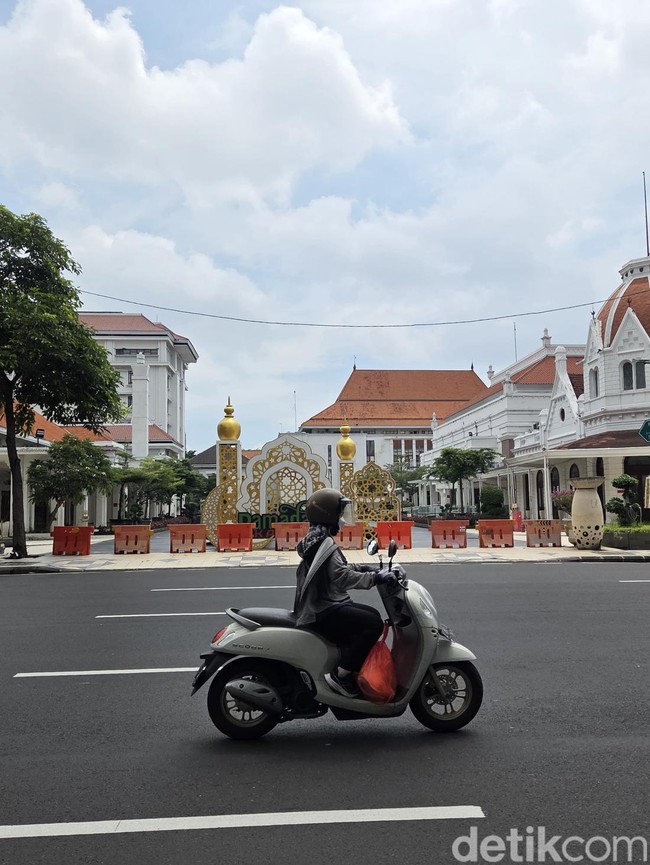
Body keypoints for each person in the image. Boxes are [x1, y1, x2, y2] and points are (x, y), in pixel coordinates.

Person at [293, 488, 394, 698]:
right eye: (339, 513)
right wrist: (374, 578)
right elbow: (341, 577)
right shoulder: (323, 542)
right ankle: (341, 674)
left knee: (373, 615)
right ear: (327, 514)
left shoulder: (316, 539)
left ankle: (345, 662)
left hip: (326, 604)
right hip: (322, 609)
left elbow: (340, 567)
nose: (342, 519)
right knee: (373, 624)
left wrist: (369, 569)